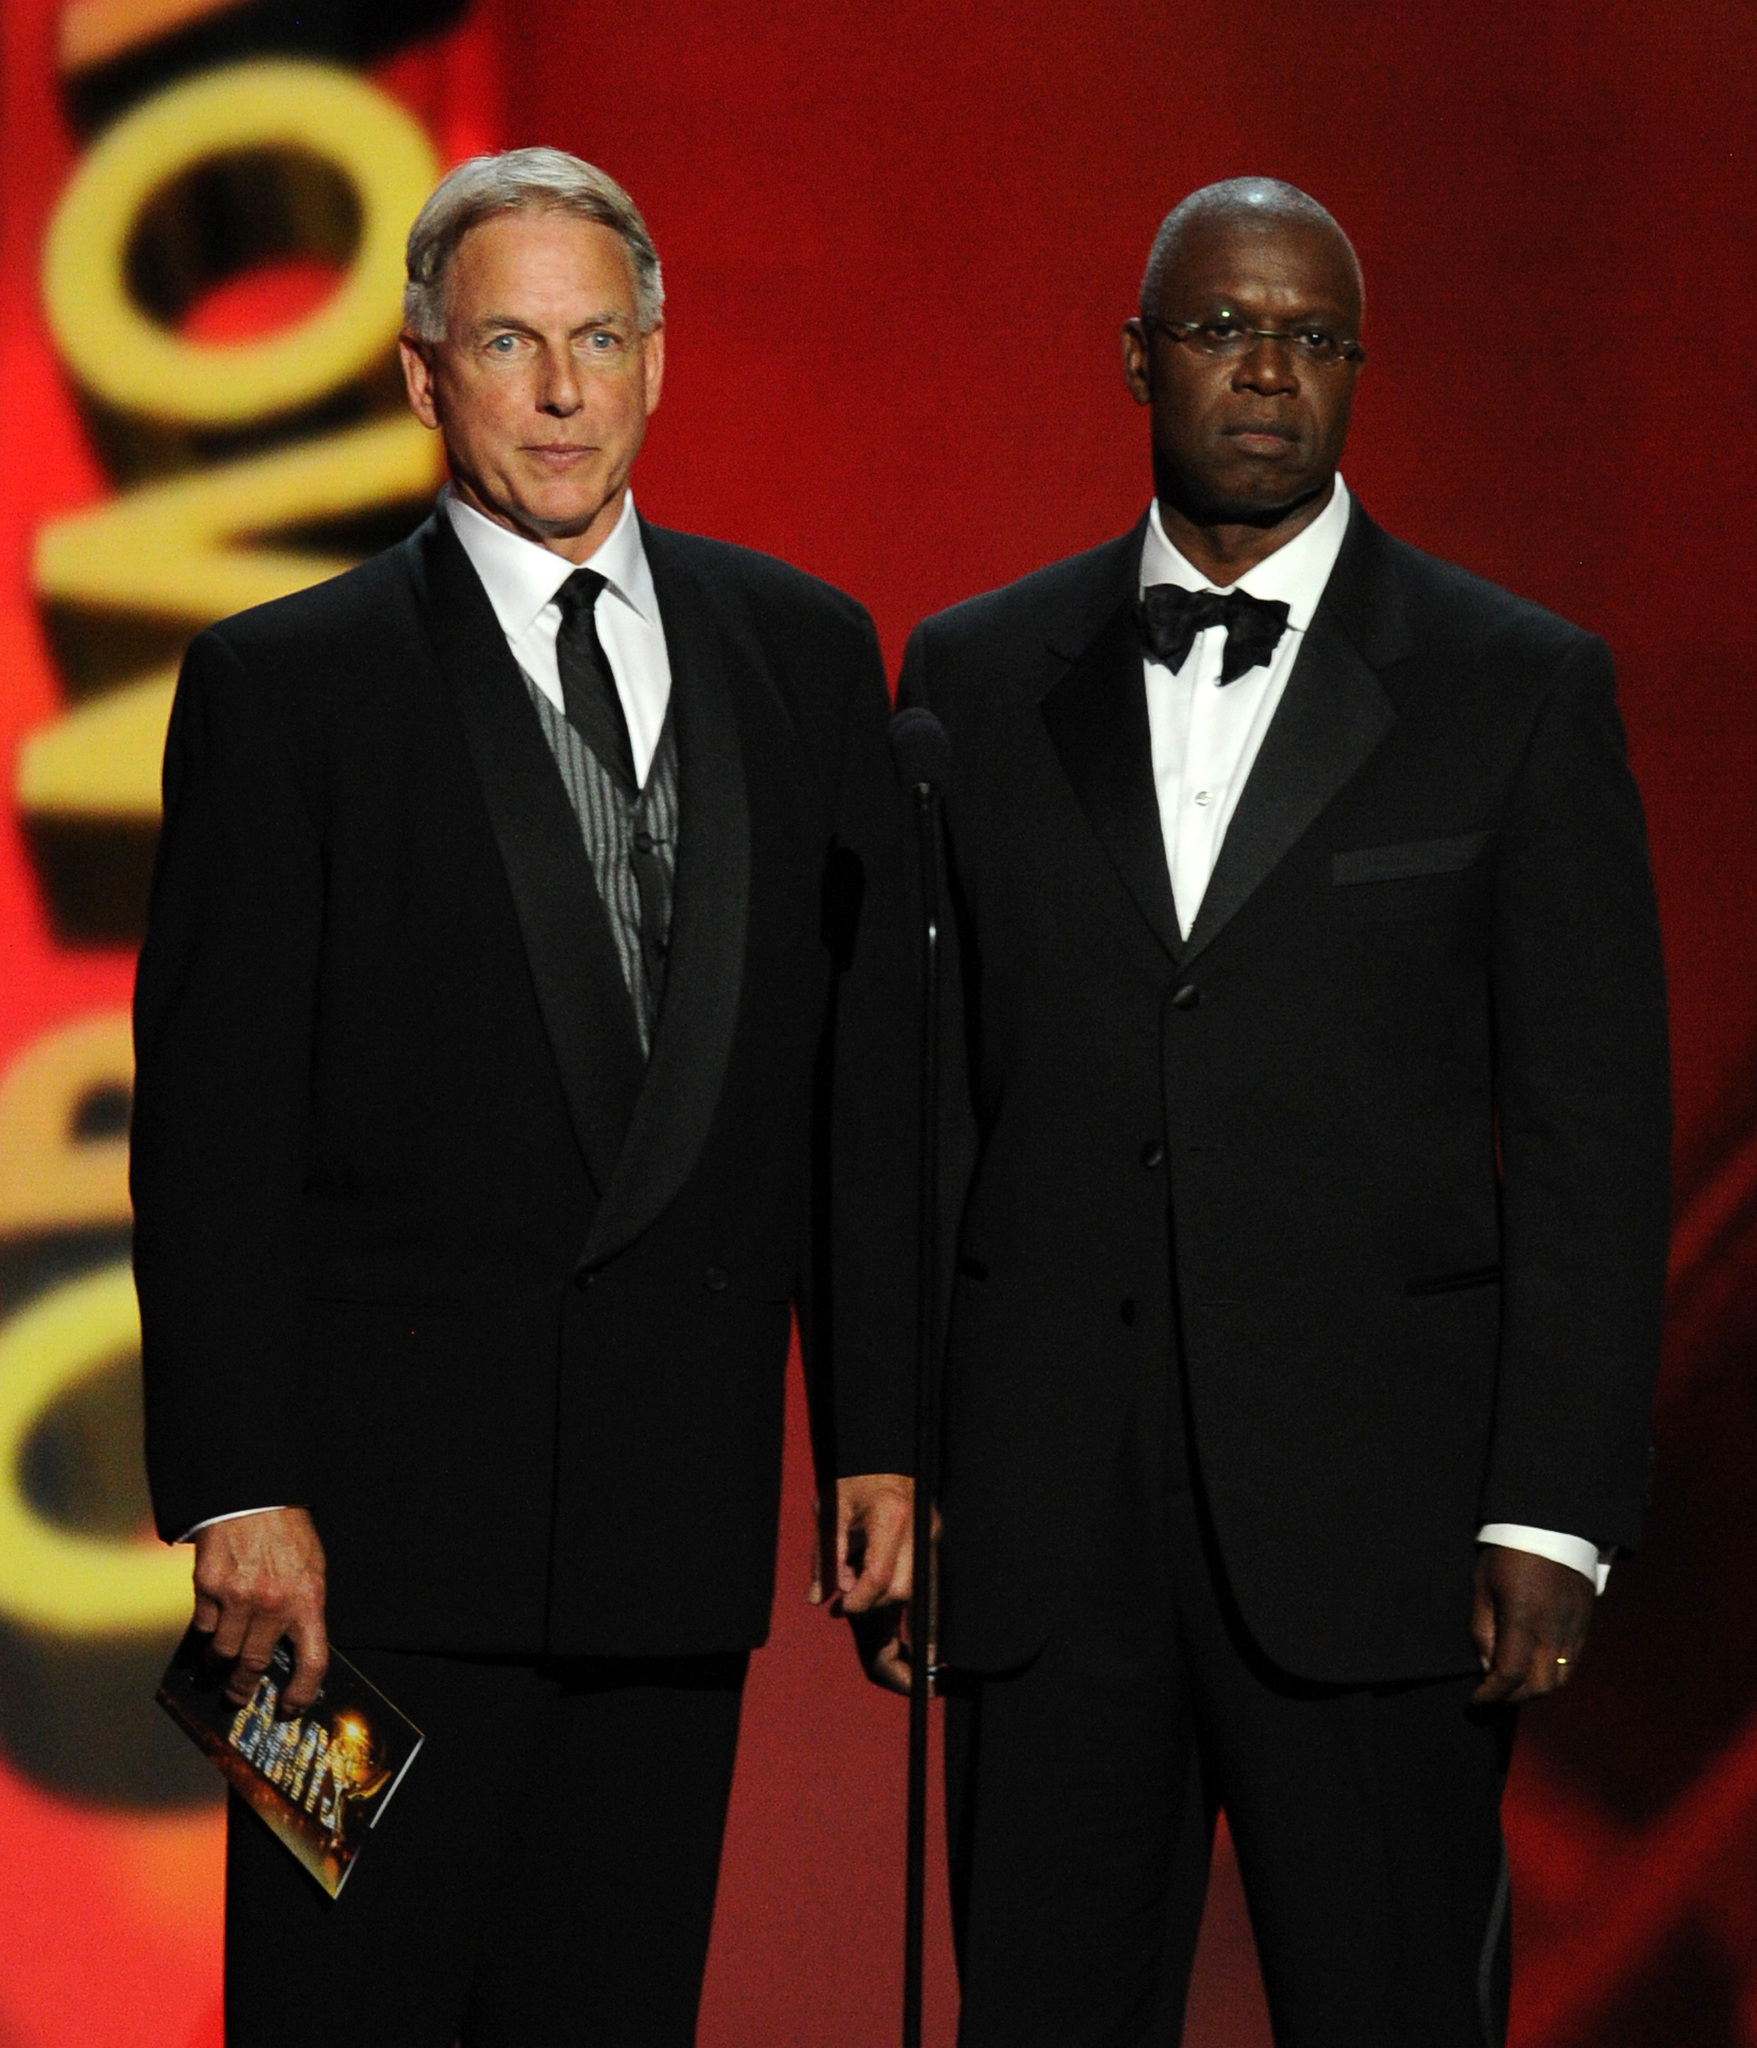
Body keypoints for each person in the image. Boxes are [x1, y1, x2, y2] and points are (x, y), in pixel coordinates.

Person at [132, 147, 915, 2048]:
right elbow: (211, 1123)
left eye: (595, 340)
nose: (559, 392)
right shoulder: (285, 684)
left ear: (657, 361)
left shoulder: (801, 652)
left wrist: (879, 1434)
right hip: (353, 1570)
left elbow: (859, 1080)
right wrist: (238, 1484)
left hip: (670, 1530)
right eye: (507, 341)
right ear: (423, 377)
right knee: (340, 2016)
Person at [892, 178, 1670, 2046]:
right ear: (1139, 357)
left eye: (1310, 338)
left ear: (1353, 374)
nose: (1267, 371)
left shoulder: (1515, 687)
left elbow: (1589, 1133)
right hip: (1047, 1536)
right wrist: (900, 1462)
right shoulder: (973, 678)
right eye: (1226, 328)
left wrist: (1552, 1516)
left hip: (1387, 1542)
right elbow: (920, 1111)